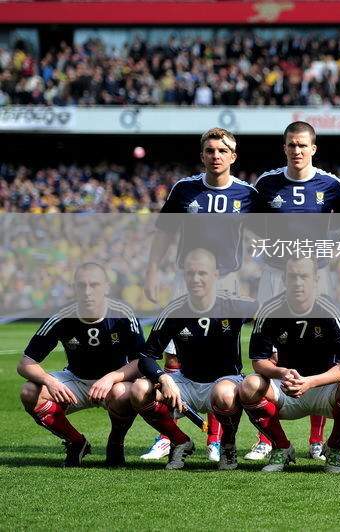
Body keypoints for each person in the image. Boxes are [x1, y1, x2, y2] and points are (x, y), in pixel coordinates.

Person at [141, 127, 259, 462]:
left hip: (228, 284)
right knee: (173, 358)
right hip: (187, 281)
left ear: (233, 156)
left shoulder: (248, 194)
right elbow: (164, 233)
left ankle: (215, 440)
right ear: (202, 155)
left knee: (220, 362)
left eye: (222, 151)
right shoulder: (184, 189)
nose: (216, 156)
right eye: (210, 150)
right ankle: (168, 436)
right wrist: (152, 270)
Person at [245, 121, 340, 462]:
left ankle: (317, 439)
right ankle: (267, 439)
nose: (297, 150)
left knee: (321, 349)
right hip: (275, 276)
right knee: (272, 351)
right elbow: (249, 224)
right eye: (291, 145)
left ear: (313, 149)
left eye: (303, 145)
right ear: (284, 147)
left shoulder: (331, 185)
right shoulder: (267, 183)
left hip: (317, 277)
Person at [132, 248, 258, 470]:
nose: (196, 278)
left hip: (226, 382)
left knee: (225, 394)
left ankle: (228, 445)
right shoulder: (174, 310)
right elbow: (146, 356)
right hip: (186, 382)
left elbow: (271, 315)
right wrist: (164, 378)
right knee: (139, 389)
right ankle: (179, 441)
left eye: (202, 273)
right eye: (191, 273)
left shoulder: (235, 305)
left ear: (215, 275)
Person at [239, 257, 340, 474]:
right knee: (249, 386)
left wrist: (310, 382)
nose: (298, 282)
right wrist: (282, 372)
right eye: (293, 277)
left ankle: (334, 448)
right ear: (284, 279)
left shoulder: (330, 310)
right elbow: (258, 361)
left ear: (315, 280)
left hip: (324, 388)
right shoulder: (270, 310)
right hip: (286, 387)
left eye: (304, 276)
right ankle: (281, 447)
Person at [18, 262, 144, 467]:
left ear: (106, 287)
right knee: (29, 392)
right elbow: (25, 363)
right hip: (76, 380)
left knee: (126, 393)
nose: (87, 291)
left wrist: (111, 377)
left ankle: (116, 442)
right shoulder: (61, 316)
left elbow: (141, 361)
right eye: (81, 285)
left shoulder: (122, 314)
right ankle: (76, 442)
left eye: (94, 285)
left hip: (113, 384)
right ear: (74, 288)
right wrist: (49, 381)